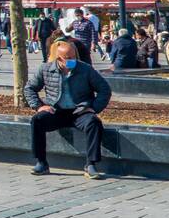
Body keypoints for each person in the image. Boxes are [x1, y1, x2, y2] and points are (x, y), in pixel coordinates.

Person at [25, 39, 112, 179]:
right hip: (56, 111)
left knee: (94, 123)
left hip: (79, 112)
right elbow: (29, 88)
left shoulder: (85, 69)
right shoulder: (46, 69)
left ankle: (91, 165)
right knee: (37, 121)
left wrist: (93, 108)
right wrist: (39, 106)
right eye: (68, 58)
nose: (73, 60)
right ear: (59, 58)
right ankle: (41, 162)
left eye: (74, 56)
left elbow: (104, 90)